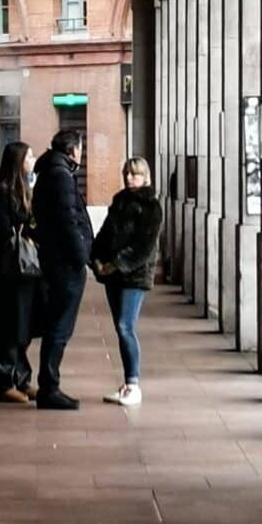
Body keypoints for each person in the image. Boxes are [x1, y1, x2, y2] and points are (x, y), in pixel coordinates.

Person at [30, 124, 95, 410]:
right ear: (72, 150)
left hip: (56, 259)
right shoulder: (61, 176)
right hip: (64, 262)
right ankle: (49, 387)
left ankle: (49, 384)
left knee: (58, 325)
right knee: (60, 327)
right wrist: (81, 256)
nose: (81, 153)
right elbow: (68, 221)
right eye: (80, 148)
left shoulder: (51, 172)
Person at [91, 157, 163, 408]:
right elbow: (105, 233)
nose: (131, 178)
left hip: (134, 274)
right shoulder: (119, 201)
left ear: (146, 177)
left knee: (125, 326)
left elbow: (144, 247)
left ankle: (133, 384)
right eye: (128, 174)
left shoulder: (151, 206)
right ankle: (127, 383)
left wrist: (116, 263)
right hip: (113, 275)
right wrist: (97, 258)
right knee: (121, 329)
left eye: (136, 174)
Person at [0, 140, 40, 404]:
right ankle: (4, 383)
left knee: (23, 326)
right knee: (9, 325)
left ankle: (22, 378)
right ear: (18, 162)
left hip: (24, 270)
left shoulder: (25, 189)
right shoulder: (1, 193)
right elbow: (5, 231)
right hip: (7, 270)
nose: (33, 160)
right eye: (29, 157)